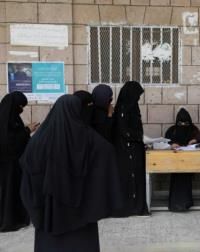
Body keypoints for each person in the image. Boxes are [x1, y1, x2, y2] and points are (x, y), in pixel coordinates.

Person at [19, 95, 123, 252]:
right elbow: (107, 151)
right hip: (82, 214)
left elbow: (28, 170)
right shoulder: (88, 138)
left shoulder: (39, 141)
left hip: (49, 216)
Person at [0, 92, 39, 232]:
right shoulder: (5, 121)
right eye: (20, 106)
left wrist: (25, 130)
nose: (21, 109)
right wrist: (27, 130)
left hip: (12, 165)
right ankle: (9, 222)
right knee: (8, 193)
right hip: (8, 166)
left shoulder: (10, 118)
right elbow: (10, 142)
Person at [112, 81, 149, 217]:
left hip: (135, 148)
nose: (138, 99)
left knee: (136, 178)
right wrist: (138, 137)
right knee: (128, 178)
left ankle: (137, 206)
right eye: (137, 95)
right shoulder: (123, 108)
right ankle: (130, 207)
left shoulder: (132, 107)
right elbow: (123, 131)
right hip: (127, 149)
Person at [165, 108, 200, 212]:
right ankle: (175, 204)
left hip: (189, 162)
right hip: (175, 161)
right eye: (181, 123)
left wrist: (196, 140)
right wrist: (171, 144)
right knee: (176, 181)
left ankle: (186, 203)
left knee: (186, 181)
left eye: (186, 123)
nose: (183, 125)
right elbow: (164, 142)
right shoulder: (172, 130)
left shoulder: (193, 129)